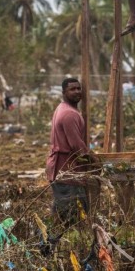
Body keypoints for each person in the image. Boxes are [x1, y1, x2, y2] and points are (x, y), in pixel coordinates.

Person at [46, 78, 94, 225]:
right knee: (69, 218)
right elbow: (77, 146)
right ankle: (47, 245)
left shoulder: (63, 109)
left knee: (62, 216)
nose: (77, 92)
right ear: (64, 92)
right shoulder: (69, 114)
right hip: (68, 172)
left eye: (79, 89)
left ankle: (48, 244)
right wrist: (95, 161)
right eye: (72, 89)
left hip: (61, 170)